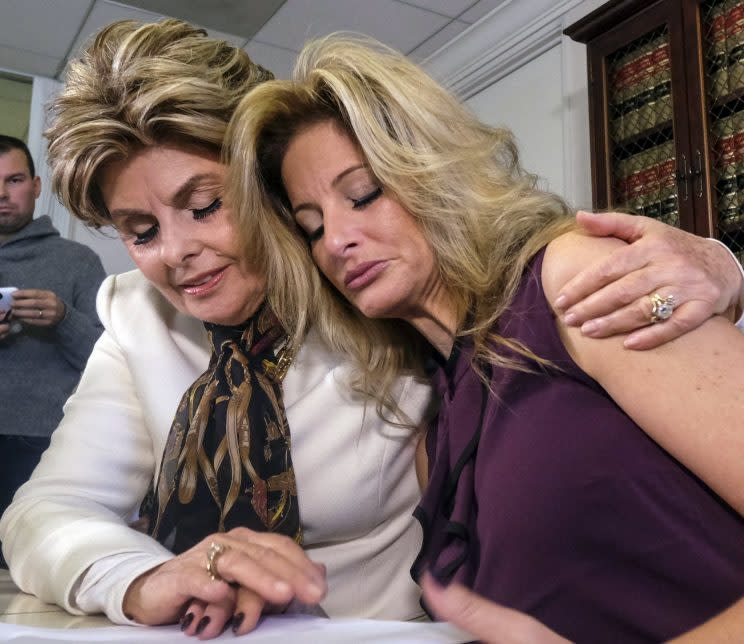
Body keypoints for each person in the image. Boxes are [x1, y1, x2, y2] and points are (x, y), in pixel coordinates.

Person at [0, 19, 739, 642]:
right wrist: (150, 573)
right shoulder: (141, 315)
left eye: (205, 206)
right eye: (139, 230)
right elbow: (46, 511)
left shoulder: (377, 297)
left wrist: (721, 265)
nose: (177, 252)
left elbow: (516, 264)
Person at [231, 34, 744, 642]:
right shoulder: (436, 430)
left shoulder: (571, 280)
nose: (337, 240)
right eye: (311, 227)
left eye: (363, 194)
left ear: (431, 171)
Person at [0, 134, 105, 566]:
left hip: (44, 443)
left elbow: (109, 361)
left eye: (14, 180)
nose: (2, 194)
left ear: (38, 186)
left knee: (32, 568)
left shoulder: (78, 261)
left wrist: (64, 318)